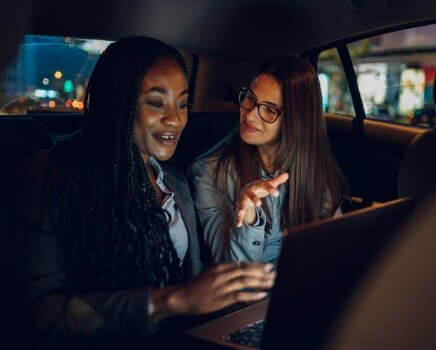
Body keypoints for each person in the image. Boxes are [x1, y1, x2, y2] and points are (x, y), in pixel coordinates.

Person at [17, 37, 274, 348]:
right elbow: (43, 315)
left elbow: (199, 286)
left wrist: (246, 224)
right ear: (118, 103)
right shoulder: (50, 175)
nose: (176, 119)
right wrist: (170, 300)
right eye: (156, 102)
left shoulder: (175, 184)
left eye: (182, 103)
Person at [190, 56, 348, 264]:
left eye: (270, 109)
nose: (250, 115)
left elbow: (333, 252)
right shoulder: (209, 172)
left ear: (295, 120)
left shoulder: (313, 167)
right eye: (250, 98)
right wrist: (250, 220)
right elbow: (234, 275)